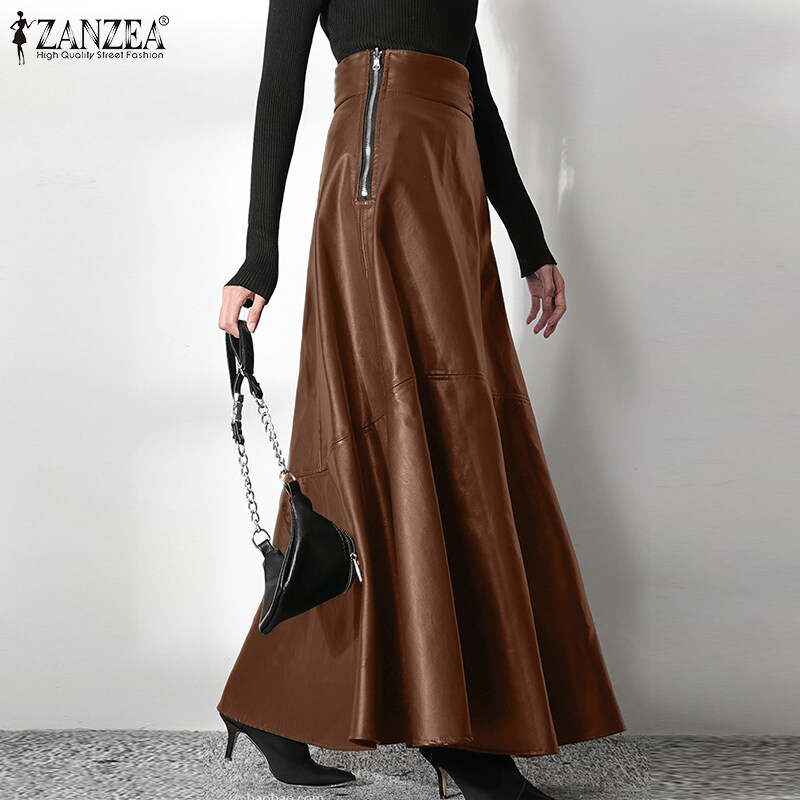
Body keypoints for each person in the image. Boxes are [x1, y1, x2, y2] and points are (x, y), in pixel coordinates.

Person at [217, 3, 625, 798]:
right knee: (395, 437)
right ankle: (458, 737)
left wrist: (530, 242)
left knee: (454, 437)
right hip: (376, 191)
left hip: (450, 189)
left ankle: (274, 700)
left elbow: (477, 97)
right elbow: (279, 89)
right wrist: (258, 254)